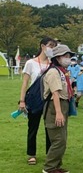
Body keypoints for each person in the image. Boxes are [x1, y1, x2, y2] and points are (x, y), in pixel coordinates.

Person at [18, 37, 56, 165]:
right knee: (33, 127)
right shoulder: (30, 63)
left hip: (49, 100)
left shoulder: (53, 64)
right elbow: (25, 83)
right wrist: (22, 101)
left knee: (49, 128)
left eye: (54, 46)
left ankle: (50, 154)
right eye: (50, 45)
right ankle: (31, 154)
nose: (52, 48)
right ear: (42, 46)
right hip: (34, 100)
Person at [42, 44, 75, 173]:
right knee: (58, 139)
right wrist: (59, 112)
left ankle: (56, 165)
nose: (68, 59)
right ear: (57, 58)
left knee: (62, 137)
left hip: (62, 104)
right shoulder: (53, 72)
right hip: (54, 106)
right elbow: (55, 94)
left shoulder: (61, 71)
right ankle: (49, 167)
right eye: (65, 56)